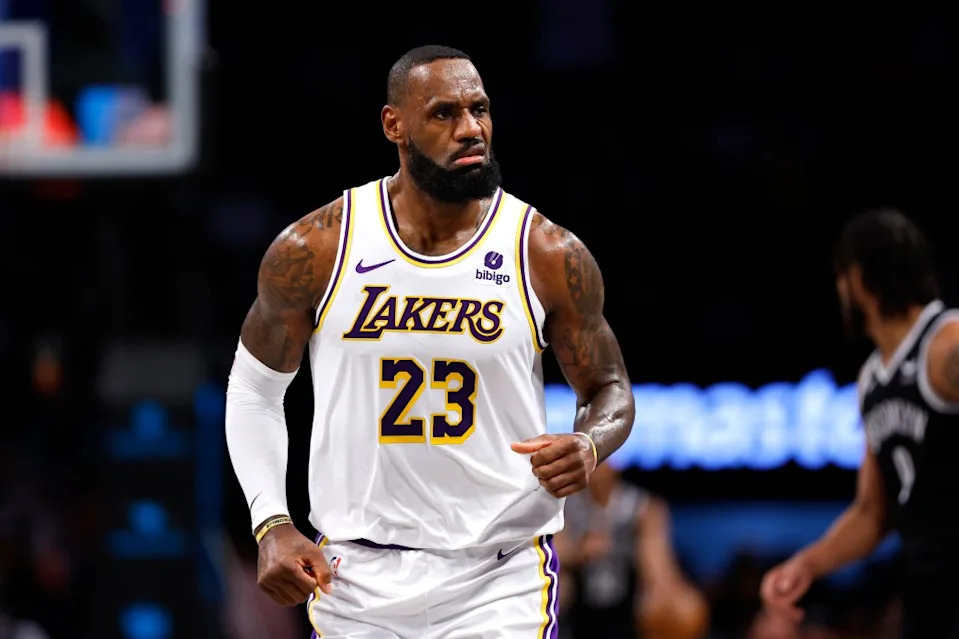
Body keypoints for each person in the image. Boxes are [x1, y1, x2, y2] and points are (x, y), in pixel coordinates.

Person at [224, 44, 635, 639]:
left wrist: (589, 443)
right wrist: (271, 523)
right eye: (445, 113)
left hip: (499, 575)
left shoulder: (545, 253)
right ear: (395, 125)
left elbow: (609, 387)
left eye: (480, 110)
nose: (472, 130)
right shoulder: (317, 247)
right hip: (355, 573)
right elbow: (254, 392)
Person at [759, 208, 959, 639]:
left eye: (840, 277)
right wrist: (807, 564)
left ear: (859, 280)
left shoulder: (947, 343)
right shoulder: (872, 380)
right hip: (928, 590)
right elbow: (872, 513)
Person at [555, 462, 709, 639]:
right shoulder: (565, 506)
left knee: (680, 605)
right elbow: (552, 558)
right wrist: (579, 554)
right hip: (576, 604)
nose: (600, 469)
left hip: (628, 602)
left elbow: (658, 569)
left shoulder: (643, 507)